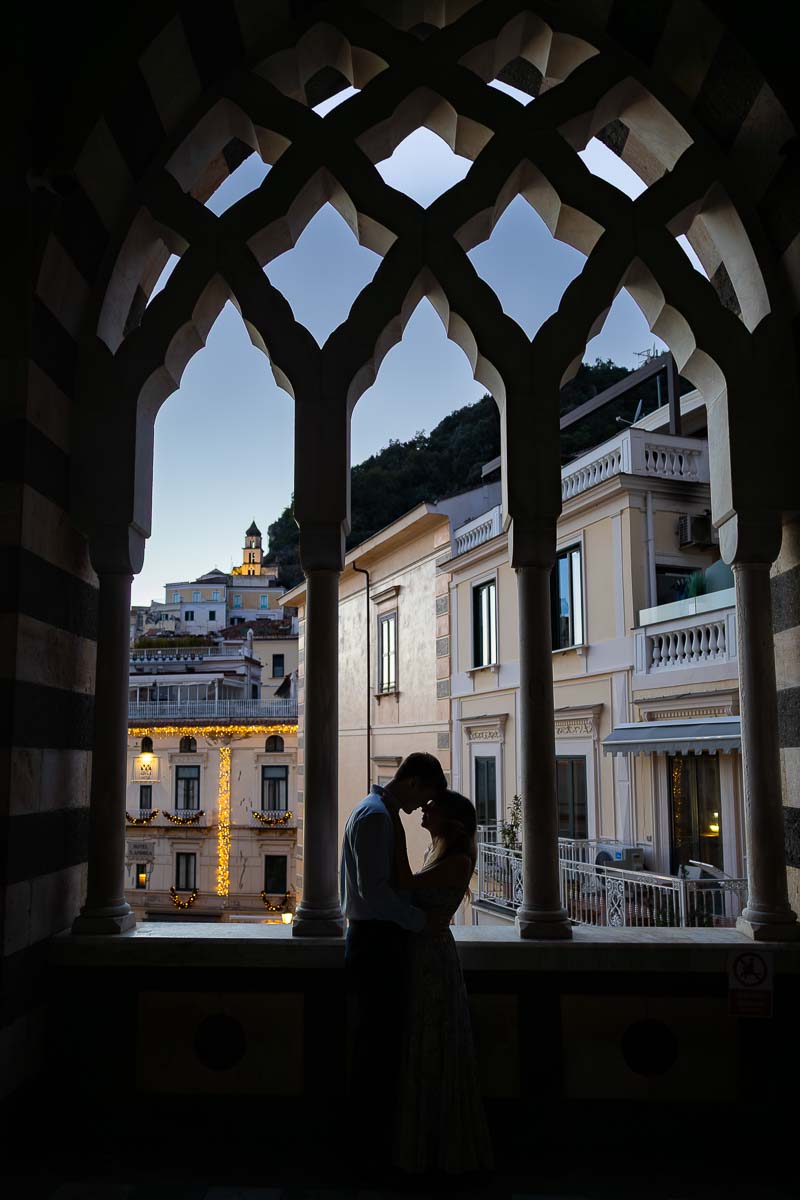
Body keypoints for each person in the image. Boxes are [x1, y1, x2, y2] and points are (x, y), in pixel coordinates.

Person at [340, 752, 448, 1165]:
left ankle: (370, 1147)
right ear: (414, 782)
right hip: (375, 942)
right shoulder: (375, 819)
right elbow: (375, 893)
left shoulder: (375, 814)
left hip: (375, 940)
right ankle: (368, 1151)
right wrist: (420, 921)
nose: (423, 808)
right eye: (425, 798)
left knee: (377, 1046)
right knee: (375, 1049)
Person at [390, 789, 494, 1175]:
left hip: (433, 957)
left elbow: (403, 881)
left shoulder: (456, 861)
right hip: (427, 953)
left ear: (450, 819)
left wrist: (392, 822)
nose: (423, 808)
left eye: (431, 806)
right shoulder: (443, 855)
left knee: (434, 1044)